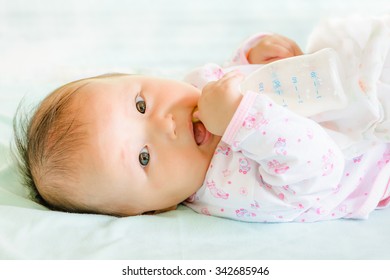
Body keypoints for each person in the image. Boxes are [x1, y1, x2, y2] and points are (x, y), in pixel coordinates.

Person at [13, 15, 390, 222]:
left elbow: (235, 75)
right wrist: (241, 120)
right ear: (155, 207)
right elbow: (321, 168)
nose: (166, 124)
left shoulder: (193, 89)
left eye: (141, 105)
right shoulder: (233, 190)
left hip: (345, 90)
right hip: (372, 153)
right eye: (144, 157)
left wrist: (257, 54)